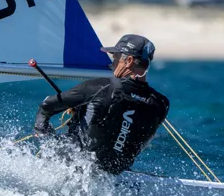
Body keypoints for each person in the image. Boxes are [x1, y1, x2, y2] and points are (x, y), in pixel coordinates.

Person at [33, 34, 170, 175]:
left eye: (115, 58)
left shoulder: (100, 87)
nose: (111, 64)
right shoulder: (161, 103)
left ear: (128, 61)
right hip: (115, 174)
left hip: (77, 167)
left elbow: (46, 106)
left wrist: (45, 138)